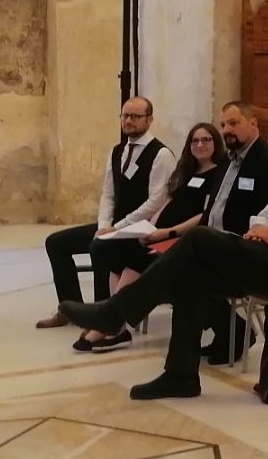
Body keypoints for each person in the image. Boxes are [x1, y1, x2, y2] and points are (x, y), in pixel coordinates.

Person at [57, 110, 268, 400]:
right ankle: (180, 375)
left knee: (198, 237)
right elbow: (263, 214)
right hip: (267, 253)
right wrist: (261, 231)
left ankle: (115, 313)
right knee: (191, 275)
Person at [78, 123, 228, 353]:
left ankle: (113, 325)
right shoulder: (186, 172)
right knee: (113, 251)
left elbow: (205, 215)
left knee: (138, 259)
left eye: (206, 140)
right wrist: (150, 228)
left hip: (184, 238)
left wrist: (168, 231)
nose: (200, 145)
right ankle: (112, 321)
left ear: (216, 143)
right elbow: (168, 202)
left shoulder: (219, 175)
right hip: (159, 234)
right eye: (195, 140)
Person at [37, 96, 175, 328]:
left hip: (141, 230)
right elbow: (108, 194)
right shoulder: (117, 151)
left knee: (101, 247)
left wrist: (116, 228)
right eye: (125, 115)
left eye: (136, 116)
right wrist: (104, 225)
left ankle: (102, 314)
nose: (129, 121)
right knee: (56, 243)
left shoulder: (161, 154)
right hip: (114, 226)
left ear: (149, 120)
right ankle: (70, 308)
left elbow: (156, 201)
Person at [199, 100, 268, 363]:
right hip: (214, 241)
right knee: (178, 268)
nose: (227, 130)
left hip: (245, 245)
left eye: (234, 123)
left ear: (253, 124)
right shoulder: (225, 160)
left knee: (190, 271)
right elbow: (213, 207)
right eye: (223, 124)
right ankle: (230, 331)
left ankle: (234, 332)